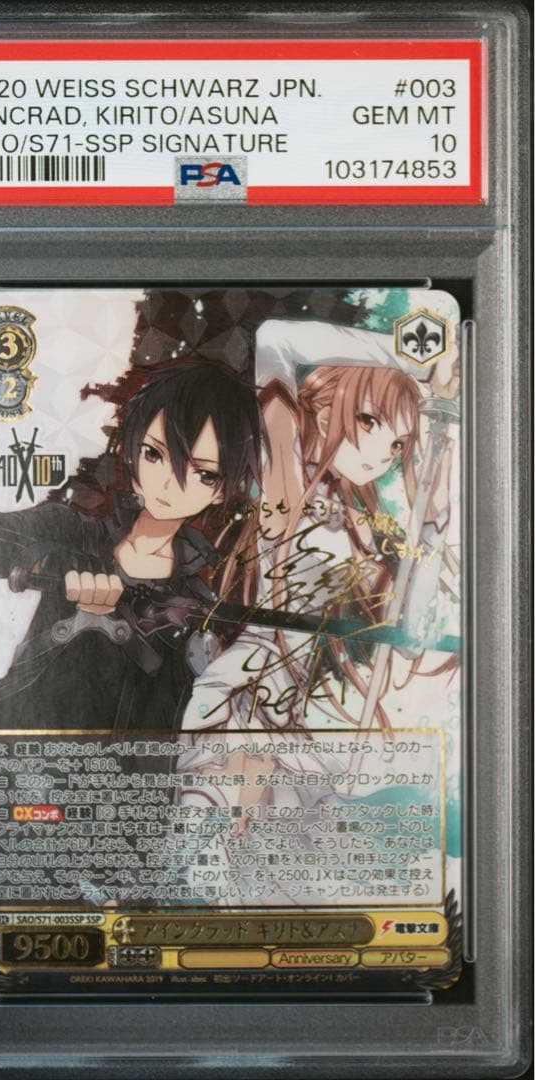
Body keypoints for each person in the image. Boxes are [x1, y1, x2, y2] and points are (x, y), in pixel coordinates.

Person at [174, 319, 460, 906]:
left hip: (321, 708)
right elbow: (276, 339)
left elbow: (409, 636)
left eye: (398, 445)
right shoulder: (288, 473)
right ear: (323, 404)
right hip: (255, 681)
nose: (382, 453)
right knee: (212, 834)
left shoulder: (371, 529)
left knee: (274, 875)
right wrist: (412, 361)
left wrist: (433, 525)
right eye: (370, 421)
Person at [0, 357, 266, 734]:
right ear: (132, 446)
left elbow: (166, 728)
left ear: (221, 491)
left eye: (203, 474)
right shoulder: (71, 531)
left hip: (109, 766)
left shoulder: (197, 604)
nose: (169, 483)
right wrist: (56, 563)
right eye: (154, 454)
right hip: (11, 744)